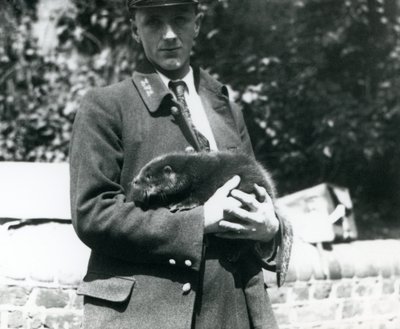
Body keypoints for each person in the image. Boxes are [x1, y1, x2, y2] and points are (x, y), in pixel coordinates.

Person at [69, 0, 292, 328]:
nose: (170, 34)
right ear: (135, 30)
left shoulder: (227, 108)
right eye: (154, 22)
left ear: (198, 24)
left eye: (180, 19)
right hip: (147, 314)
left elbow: (259, 194)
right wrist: (199, 221)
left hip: (233, 310)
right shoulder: (105, 106)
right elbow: (92, 213)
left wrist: (270, 230)